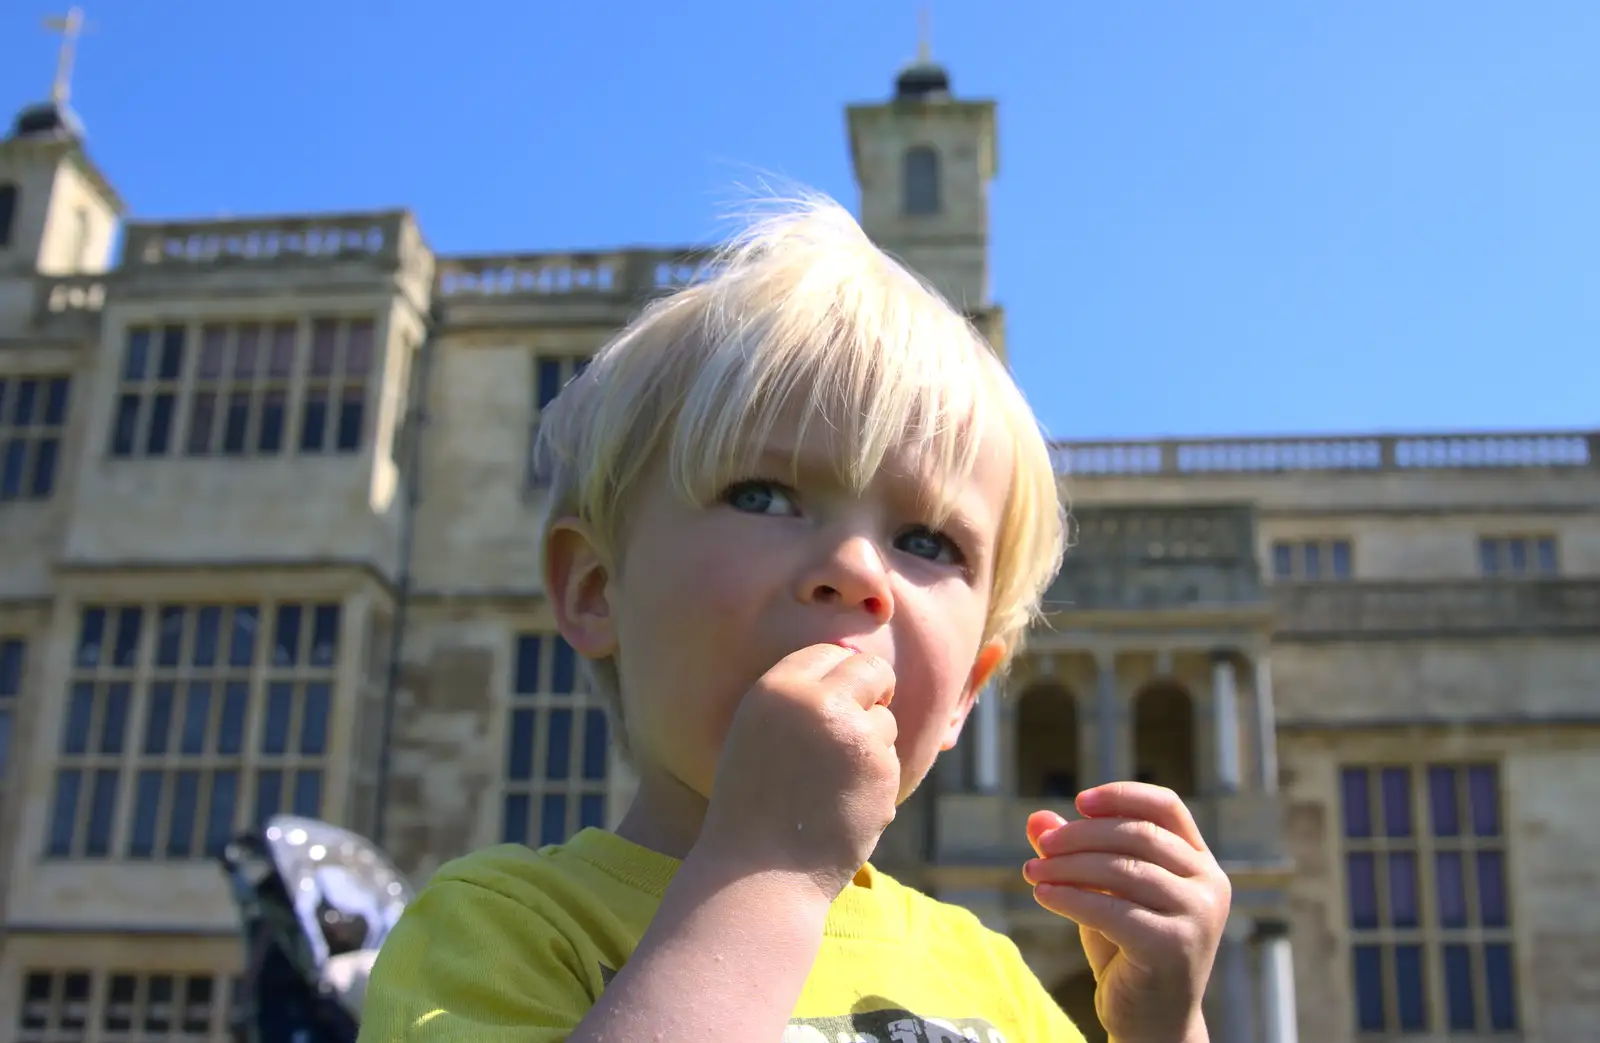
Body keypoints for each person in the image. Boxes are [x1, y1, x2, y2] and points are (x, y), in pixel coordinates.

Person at [358, 191, 1231, 1042]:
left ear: (968, 690)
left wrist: (1164, 1026)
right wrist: (766, 868)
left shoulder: (990, 972)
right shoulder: (506, 927)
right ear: (595, 587)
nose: (856, 570)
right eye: (764, 495)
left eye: (926, 541)